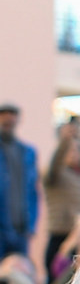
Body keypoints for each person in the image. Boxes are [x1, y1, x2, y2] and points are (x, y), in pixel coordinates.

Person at [42, 125, 80, 269]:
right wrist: (64, 141)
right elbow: (54, 165)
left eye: (77, 149)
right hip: (60, 235)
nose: (73, 153)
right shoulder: (56, 175)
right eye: (70, 149)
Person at [0, 105, 40, 262]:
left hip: (20, 230)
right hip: (1, 229)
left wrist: (31, 225)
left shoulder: (27, 152)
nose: (9, 120)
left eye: (12, 117)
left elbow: (33, 192)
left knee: (19, 276)